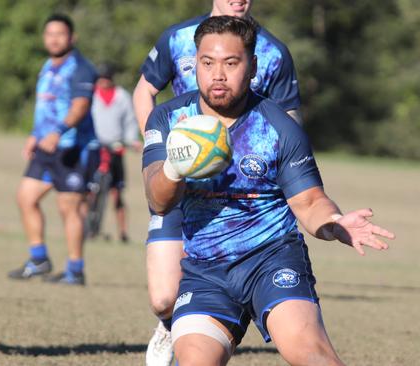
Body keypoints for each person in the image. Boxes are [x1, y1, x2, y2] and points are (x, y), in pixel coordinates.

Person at [142, 16, 395, 365]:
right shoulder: (168, 121)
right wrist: (176, 164)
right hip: (205, 271)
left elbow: (308, 201)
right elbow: (157, 200)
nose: (218, 74)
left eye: (231, 63)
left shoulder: (278, 126)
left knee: (309, 354)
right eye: (207, 62)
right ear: (195, 63)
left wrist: (335, 222)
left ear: (252, 66)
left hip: (271, 258)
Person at [133, 1, 302, 363]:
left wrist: (290, 172)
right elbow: (143, 90)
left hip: (243, 192)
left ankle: (204, 322)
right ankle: (173, 322)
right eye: (208, 63)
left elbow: (289, 116)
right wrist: (163, 152)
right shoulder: (178, 37)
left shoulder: (274, 52)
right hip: (181, 180)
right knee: (162, 297)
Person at [8, 14, 98, 286]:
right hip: (46, 146)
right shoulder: (47, 66)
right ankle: (38, 259)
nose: (54, 39)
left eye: (60, 34)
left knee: (68, 208)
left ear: (72, 38)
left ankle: (75, 270)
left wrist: (58, 131)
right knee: (25, 197)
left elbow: (80, 106)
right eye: (49, 34)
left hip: (73, 147)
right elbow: (44, 106)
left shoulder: (81, 68)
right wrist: (34, 136)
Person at [90, 62, 142, 242]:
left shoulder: (121, 97)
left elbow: (129, 121)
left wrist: (131, 140)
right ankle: (89, 227)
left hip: (116, 149)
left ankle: (123, 232)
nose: (103, 83)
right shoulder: (91, 95)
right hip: (95, 149)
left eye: (106, 79)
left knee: (116, 193)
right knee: (91, 190)